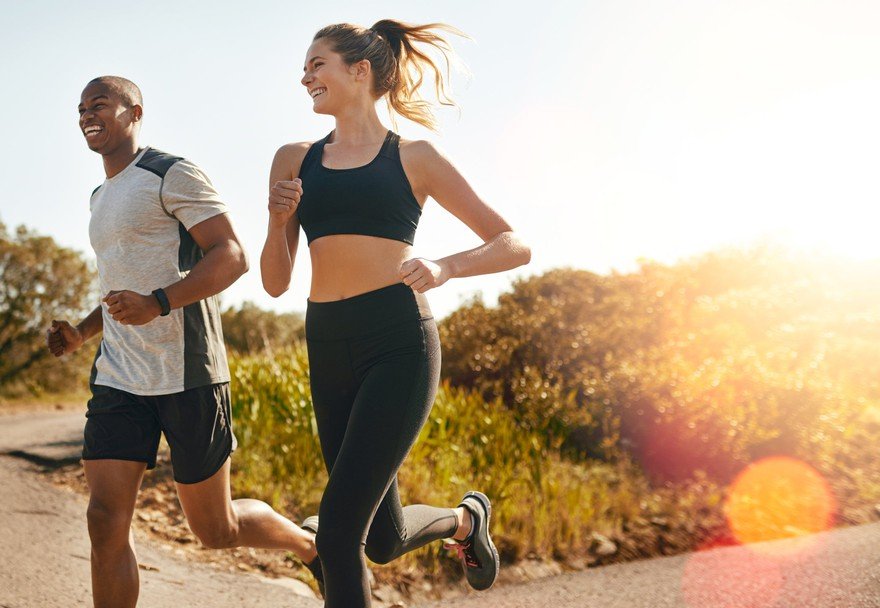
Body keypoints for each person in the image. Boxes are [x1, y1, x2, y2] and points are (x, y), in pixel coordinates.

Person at [260, 20, 531, 607]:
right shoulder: (294, 158)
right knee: (382, 539)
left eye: (317, 64)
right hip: (327, 341)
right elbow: (275, 283)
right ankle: (466, 521)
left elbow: (513, 244)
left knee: (336, 533)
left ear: (359, 71)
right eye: (304, 68)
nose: (305, 77)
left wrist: (446, 266)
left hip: (397, 341)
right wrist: (278, 222)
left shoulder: (415, 157)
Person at [47, 76, 321, 608]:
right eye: (80, 109)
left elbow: (232, 255)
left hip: (188, 372)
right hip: (120, 375)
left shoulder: (170, 172)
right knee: (104, 520)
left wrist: (159, 302)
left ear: (135, 112)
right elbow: (119, 287)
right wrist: (81, 332)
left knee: (215, 530)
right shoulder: (100, 196)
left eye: (99, 104)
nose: (86, 115)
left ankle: (309, 546)